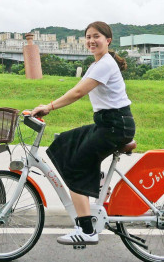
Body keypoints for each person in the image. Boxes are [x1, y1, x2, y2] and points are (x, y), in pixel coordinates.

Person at [30, 21, 134, 246]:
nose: (91, 41)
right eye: (88, 37)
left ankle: (87, 230)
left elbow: (78, 92)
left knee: (76, 167)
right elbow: (78, 88)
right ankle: (95, 180)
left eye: (96, 36)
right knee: (65, 142)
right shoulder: (98, 63)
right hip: (109, 124)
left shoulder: (105, 64)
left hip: (115, 126)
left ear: (107, 40)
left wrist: (49, 106)